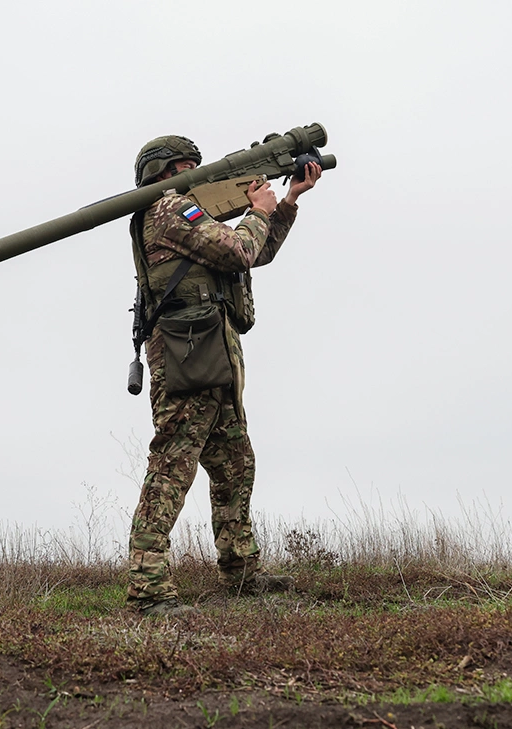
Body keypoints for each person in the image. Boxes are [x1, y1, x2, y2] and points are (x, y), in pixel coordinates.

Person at [127, 135, 322, 616]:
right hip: (185, 351)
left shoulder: (192, 212)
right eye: (183, 166)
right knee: (172, 466)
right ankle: (148, 588)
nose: (193, 172)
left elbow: (257, 252)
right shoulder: (170, 211)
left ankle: (241, 571)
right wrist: (258, 208)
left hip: (213, 348)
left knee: (236, 463)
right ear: (161, 174)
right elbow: (238, 249)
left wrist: (289, 201)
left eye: (196, 165)